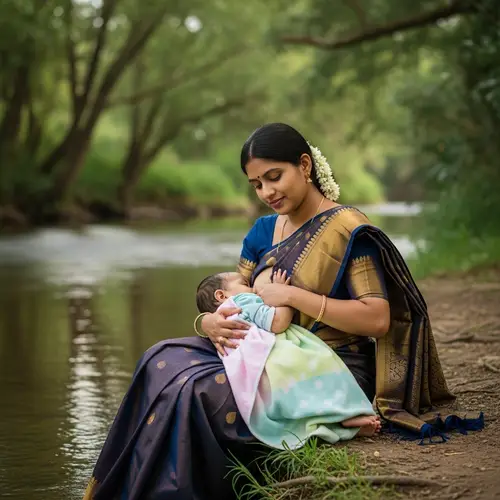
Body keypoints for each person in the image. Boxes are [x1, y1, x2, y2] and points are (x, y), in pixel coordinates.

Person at [84, 123, 483, 500]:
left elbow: (377, 319)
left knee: (198, 393)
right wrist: (207, 322)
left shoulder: (347, 231)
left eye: (274, 177)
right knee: (160, 360)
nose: (266, 191)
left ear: (305, 165)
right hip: (263, 347)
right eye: (257, 184)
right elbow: (233, 295)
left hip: (329, 366)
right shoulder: (261, 232)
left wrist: (293, 298)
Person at [195, 270, 381, 448]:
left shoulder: (223, 317)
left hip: (252, 368)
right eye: (245, 284)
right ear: (221, 295)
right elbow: (277, 322)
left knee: (299, 400)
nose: (254, 288)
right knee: (319, 367)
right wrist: (284, 296)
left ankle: (338, 423)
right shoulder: (241, 301)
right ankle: (344, 415)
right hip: (273, 355)